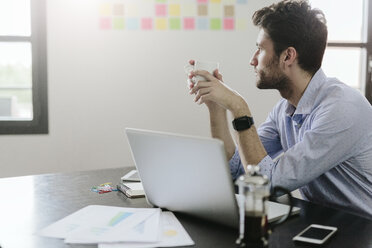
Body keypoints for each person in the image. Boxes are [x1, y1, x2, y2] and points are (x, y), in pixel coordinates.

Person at [187, 0, 372, 219]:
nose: (252, 60)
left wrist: (238, 107)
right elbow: (238, 172)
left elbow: (267, 185)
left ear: (288, 56)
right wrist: (217, 108)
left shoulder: (342, 109)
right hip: (320, 224)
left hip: (362, 231)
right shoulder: (285, 109)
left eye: (260, 49)